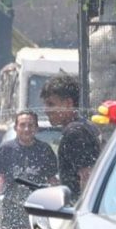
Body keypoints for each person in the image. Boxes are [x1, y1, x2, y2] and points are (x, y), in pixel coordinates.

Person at [40, 74, 101, 202]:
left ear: (68, 103)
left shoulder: (74, 132)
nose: (46, 110)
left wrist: (83, 212)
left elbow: (87, 176)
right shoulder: (85, 125)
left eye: (51, 104)